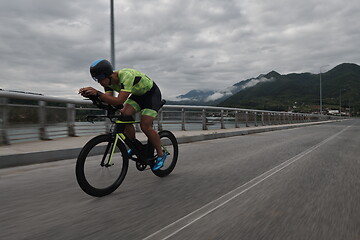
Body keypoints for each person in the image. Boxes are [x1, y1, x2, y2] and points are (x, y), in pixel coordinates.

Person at [78, 59, 166, 170]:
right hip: (138, 96)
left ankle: (161, 154)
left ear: (107, 74)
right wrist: (93, 96)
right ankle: (135, 146)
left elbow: (119, 101)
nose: (99, 82)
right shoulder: (107, 83)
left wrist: (98, 93)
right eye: (95, 79)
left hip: (151, 94)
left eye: (99, 78)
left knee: (145, 126)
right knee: (124, 115)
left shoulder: (126, 76)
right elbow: (109, 100)